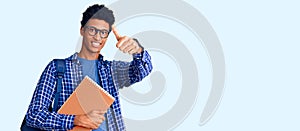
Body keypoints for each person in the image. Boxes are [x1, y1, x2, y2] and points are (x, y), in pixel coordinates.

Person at [24, 4, 153, 131]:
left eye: (103, 32)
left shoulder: (111, 70)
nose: (97, 37)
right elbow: (34, 115)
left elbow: (141, 71)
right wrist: (75, 119)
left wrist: (138, 50)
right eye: (92, 30)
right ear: (82, 30)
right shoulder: (57, 69)